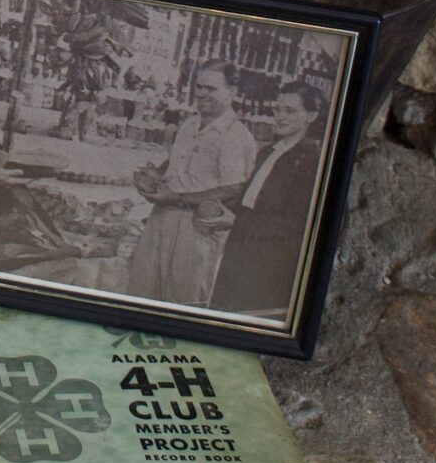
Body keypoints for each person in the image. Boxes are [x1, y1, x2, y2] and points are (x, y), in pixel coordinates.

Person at [122, 60, 256, 308]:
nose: (202, 94)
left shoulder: (236, 137)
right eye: (199, 86)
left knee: (183, 301)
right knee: (144, 293)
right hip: (162, 219)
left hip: (197, 230)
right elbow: (176, 162)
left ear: (232, 92)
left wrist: (178, 198)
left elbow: (235, 189)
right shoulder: (189, 124)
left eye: (211, 88)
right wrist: (155, 175)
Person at [205, 78, 328, 317]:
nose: (279, 116)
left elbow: (298, 222)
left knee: (252, 316)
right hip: (240, 250)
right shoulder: (268, 152)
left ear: (311, 117)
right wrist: (224, 210)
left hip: (271, 259)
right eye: (277, 109)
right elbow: (252, 201)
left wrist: (239, 222)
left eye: (289, 111)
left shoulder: (312, 160)